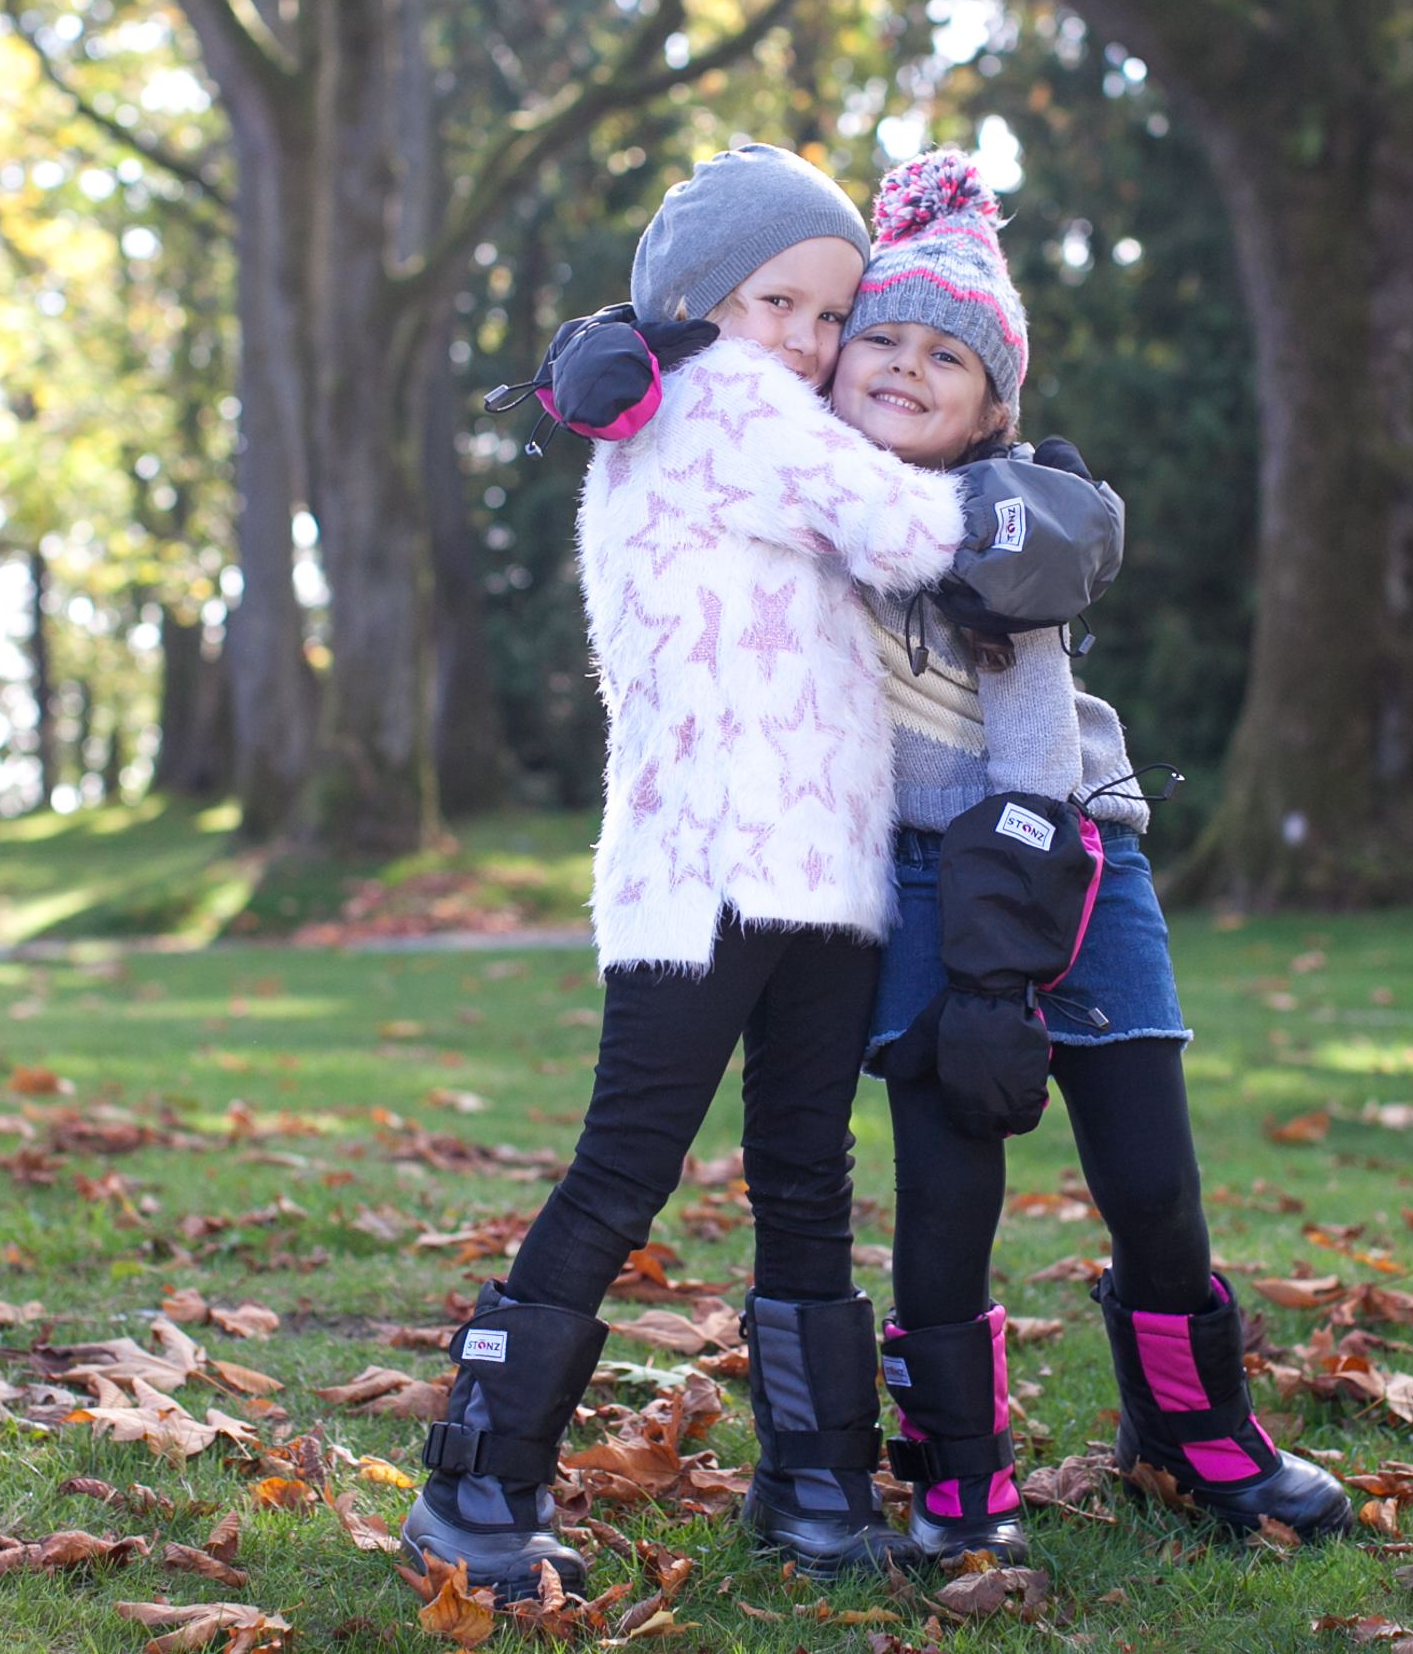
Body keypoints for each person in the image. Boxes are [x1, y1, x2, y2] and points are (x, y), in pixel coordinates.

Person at [405, 145, 1124, 1599]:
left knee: (807, 1175)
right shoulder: (718, 410)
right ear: (695, 302)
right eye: (774, 302)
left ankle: (814, 1480)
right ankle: (480, 1479)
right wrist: (1061, 514)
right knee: (629, 1164)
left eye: (826, 315)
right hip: (711, 873)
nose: (805, 342)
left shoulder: (720, 410)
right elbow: (913, 526)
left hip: (823, 872)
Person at [824, 147, 1355, 1562]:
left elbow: (1037, 744)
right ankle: (958, 1467)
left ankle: (1193, 1432)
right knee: (944, 1192)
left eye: (946, 354)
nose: (903, 365)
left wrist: (1011, 972)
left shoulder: (1014, 523)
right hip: (919, 883)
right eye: (877, 334)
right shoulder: (800, 500)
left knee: (1152, 1179)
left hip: (1068, 858)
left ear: (995, 400)